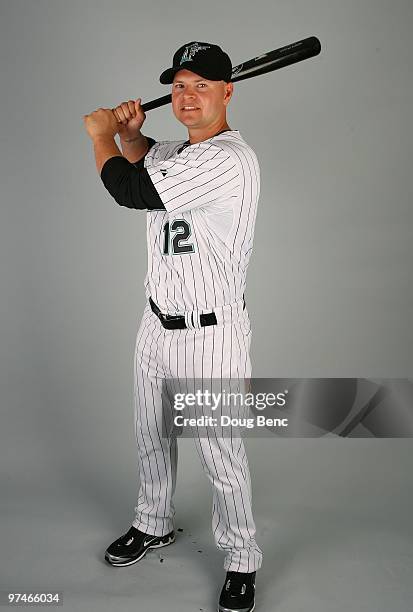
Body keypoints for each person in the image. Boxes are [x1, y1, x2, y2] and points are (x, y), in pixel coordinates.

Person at [83, 41, 262, 612]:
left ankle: (241, 557)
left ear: (227, 91)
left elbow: (130, 189)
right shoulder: (181, 155)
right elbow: (146, 161)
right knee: (150, 434)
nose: (187, 97)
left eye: (201, 85)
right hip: (157, 324)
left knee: (220, 451)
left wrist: (100, 135)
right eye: (179, 85)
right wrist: (131, 133)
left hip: (212, 335)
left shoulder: (226, 159)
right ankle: (152, 521)